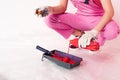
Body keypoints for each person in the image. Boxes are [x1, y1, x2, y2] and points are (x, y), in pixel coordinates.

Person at [36, 0, 120, 49]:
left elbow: (109, 11)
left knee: (112, 32)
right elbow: (62, 7)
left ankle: (95, 40)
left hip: (98, 19)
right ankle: (80, 35)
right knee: (49, 19)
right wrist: (50, 9)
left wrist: (95, 31)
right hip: (79, 19)